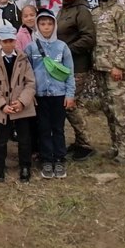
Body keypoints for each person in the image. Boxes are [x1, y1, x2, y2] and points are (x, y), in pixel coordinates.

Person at [25, 9, 75, 179]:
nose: (46, 27)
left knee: (58, 128)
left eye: (49, 24)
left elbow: (69, 72)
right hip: (40, 96)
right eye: (42, 24)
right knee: (43, 128)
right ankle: (46, 159)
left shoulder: (62, 47)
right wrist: (30, 94)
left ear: (54, 26)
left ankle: (60, 158)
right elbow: (27, 72)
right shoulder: (31, 47)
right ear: (37, 26)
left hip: (58, 95)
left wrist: (70, 94)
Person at [92, 0, 125, 164]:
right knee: (108, 110)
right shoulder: (94, 13)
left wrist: (119, 65)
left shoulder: (122, 12)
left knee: (120, 110)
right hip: (100, 68)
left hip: (116, 70)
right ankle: (116, 145)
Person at [0, 25, 36, 183]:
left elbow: (30, 83)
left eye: (11, 40)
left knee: (24, 139)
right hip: (3, 108)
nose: (9, 44)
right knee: (1, 139)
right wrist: (2, 104)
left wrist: (22, 102)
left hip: (21, 106)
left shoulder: (23, 59)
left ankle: (25, 166)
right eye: (5, 41)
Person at [56, 0, 97, 161]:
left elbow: (88, 38)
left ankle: (86, 144)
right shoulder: (64, 9)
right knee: (70, 104)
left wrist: (66, 50)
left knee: (71, 104)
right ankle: (81, 142)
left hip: (77, 65)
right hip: (63, 66)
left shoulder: (82, 10)